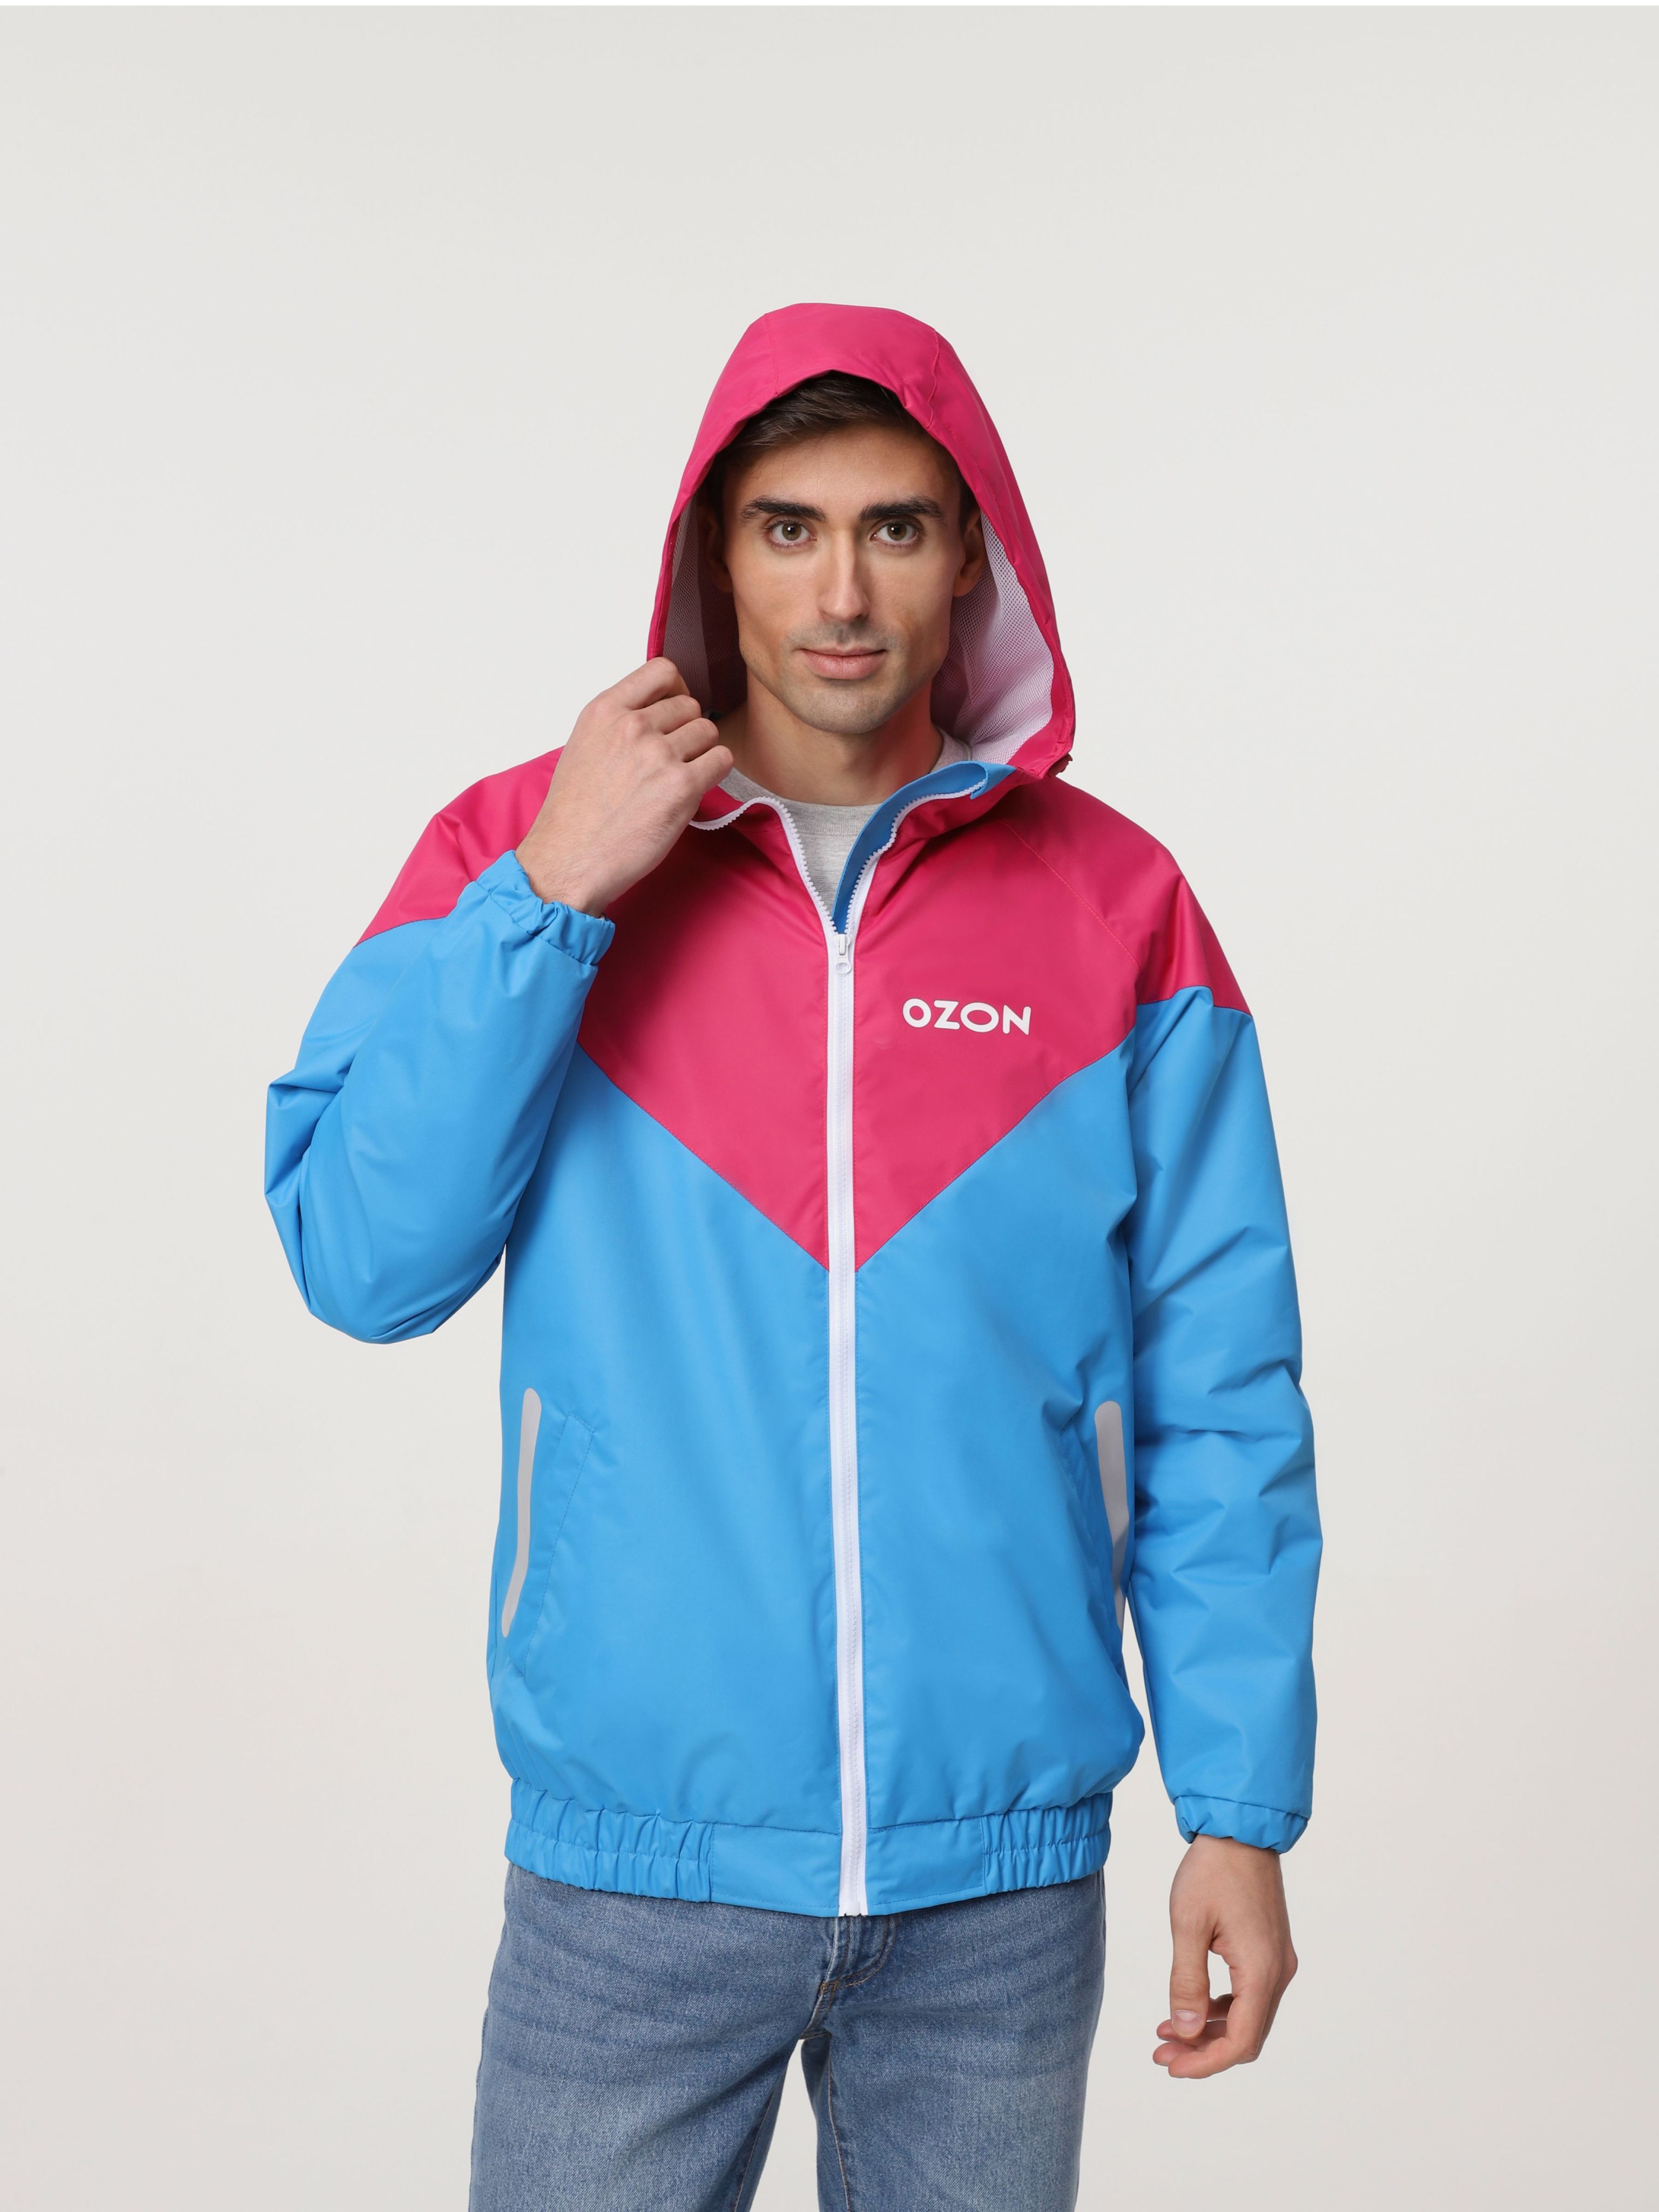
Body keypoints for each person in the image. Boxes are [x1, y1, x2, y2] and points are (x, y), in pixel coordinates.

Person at [266, 302, 1320, 2212]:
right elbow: (362, 1256)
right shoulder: (523, 846)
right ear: (714, 553)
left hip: (997, 1889)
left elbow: (1223, 1390)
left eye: (895, 527)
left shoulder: (1119, 909)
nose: (842, 592)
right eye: (789, 528)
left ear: (972, 557)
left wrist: (1238, 1806)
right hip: (633, 1873)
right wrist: (555, 899)